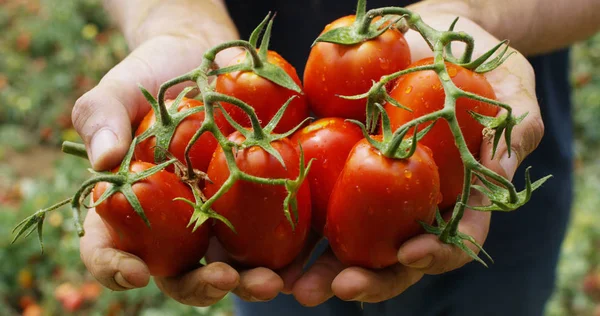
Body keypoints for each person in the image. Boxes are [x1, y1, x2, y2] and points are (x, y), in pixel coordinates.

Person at [74, 0, 600, 315]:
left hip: (478, 179)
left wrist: (476, 12)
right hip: (260, 218)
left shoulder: (447, 90)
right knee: (272, 286)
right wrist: (179, 23)